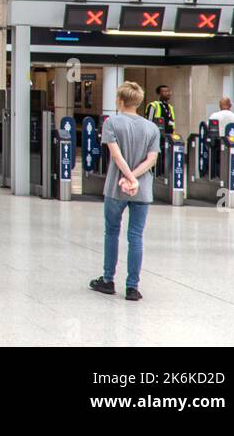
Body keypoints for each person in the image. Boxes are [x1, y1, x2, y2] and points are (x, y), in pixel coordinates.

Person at [90, 81, 159, 302]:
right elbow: (152, 159)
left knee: (112, 232)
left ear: (120, 101)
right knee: (136, 236)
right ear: (138, 102)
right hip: (142, 190)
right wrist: (136, 180)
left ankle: (108, 280)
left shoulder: (112, 123)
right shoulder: (152, 128)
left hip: (116, 188)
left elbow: (116, 156)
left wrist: (127, 178)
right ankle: (132, 287)